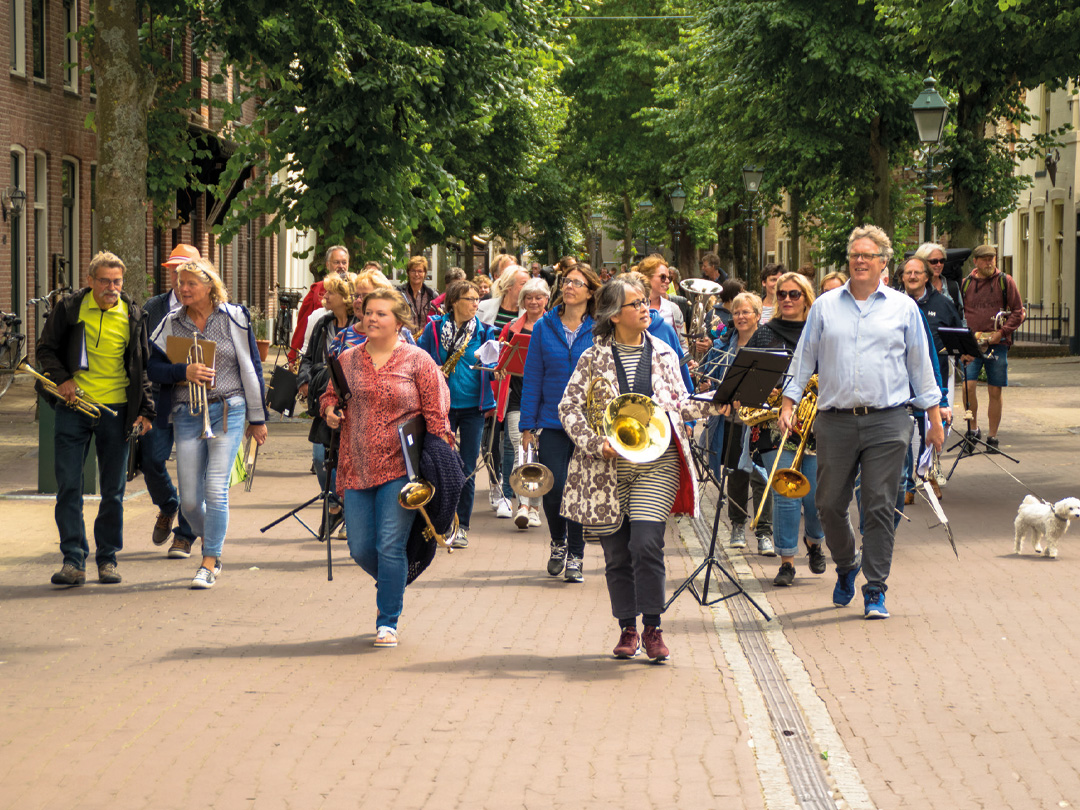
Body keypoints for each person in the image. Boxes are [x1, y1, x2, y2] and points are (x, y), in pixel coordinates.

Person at [780, 225, 944, 619]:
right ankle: (847, 564)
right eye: (854, 254)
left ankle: (875, 588)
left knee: (879, 505)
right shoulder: (824, 306)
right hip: (834, 421)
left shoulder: (903, 309)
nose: (859, 261)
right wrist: (788, 403)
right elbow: (803, 361)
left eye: (868, 255)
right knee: (828, 504)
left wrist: (934, 419)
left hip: (888, 420)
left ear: (884, 263)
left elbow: (921, 367)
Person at [558, 277, 723, 661]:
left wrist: (719, 401)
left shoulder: (664, 351)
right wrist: (596, 444)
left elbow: (681, 403)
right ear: (615, 315)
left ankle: (653, 626)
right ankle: (627, 628)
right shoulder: (591, 357)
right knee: (616, 555)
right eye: (635, 304)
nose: (645, 308)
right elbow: (568, 408)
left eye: (645, 302)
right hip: (606, 468)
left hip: (657, 463)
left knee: (646, 543)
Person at [322, 288, 452, 648]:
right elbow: (329, 397)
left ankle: (387, 620)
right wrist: (330, 412)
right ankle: (392, 582)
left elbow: (437, 412)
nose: (372, 319)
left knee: (390, 544)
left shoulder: (417, 360)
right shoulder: (346, 359)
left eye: (381, 314)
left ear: (399, 322)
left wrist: (439, 458)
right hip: (355, 465)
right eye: (367, 313)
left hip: (401, 468)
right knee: (361, 548)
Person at [148, 259, 269, 589]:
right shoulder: (172, 323)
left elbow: (252, 367)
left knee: (216, 488)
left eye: (190, 283)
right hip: (187, 413)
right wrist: (181, 372)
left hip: (229, 409)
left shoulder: (234, 317)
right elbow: (152, 369)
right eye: (179, 283)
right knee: (189, 502)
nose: (183, 289)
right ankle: (211, 538)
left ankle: (210, 560)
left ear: (209, 286)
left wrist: (257, 419)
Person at [38, 251, 155, 586]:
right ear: (90, 281)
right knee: (69, 486)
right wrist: (62, 379)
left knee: (114, 490)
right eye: (104, 280)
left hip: (116, 411)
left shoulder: (133, 315)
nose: (111, 287)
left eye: (116, 281)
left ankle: (108, 559)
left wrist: (146, 410)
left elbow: (141, 367)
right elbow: (45, 349)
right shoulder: (70, 308)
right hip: (73, 408)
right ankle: (73, 560)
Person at [520, 264, 600, 582]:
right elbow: (533, 376)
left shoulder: (600, 328)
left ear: (590, 292)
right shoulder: (543, 327)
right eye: (566, 281)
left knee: (577, 489)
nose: (569, 287)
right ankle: (558, 542)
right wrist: (527, 425)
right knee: (553, 487)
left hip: (586, 422)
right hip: (551, 420)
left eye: (577, 283)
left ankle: (576, 556)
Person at [746, 273, 823, 584]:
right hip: (774, 426)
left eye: (795, 294)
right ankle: (787, 561)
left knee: (816, 497)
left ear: (806, 297)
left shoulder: (820, 333)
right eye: (781, 295)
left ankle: (814, 541)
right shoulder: (764, 335)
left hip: (817, 425)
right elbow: (749, 383)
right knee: (785, 493)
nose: (788, 300)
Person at [418, 280, 497, 549]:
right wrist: (432, 367)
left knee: (466, 467)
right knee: (438, 465)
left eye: (478, 299)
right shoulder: (435, 329)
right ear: (453, 302)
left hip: (474, 407)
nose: (476, 304)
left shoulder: (486, 331)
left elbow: (494, 363)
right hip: (440, 407)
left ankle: (463, 525)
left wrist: (496, 370)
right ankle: (439, 521)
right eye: (469, 299)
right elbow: (418, 356)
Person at [701, 292, 773, 553]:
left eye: (746, 312)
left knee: (762, 478)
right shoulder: (721, 346)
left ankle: (764, 531)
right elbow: (706, 380)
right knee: (736, 475)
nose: (741, 317)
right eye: (736, 313)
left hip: (760, 422)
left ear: (757, 315)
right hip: (731, 422)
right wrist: (709, 384)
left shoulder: (769, 344)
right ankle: (738, 526)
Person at [142, 244, 201, 555]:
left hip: (198, 403)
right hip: (160, 398)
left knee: (194, 470)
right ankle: (168, 503)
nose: (182, 280)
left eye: (187, 273)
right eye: (176, 273)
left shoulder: (213, 308)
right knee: (150, 458)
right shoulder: (153, 307)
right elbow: (143, 355)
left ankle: (186, 534)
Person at [298, 274, 358, 535]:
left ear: (344, 297)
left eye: (330, 293)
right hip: (324, 399)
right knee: (320, 458)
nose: (325, 298)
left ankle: (349, 513)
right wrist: (304, 379)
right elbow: (308, 358)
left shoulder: (362, 325)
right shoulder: (323, 323)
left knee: (347, 462)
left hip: (352, 404)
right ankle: (335, 507)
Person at [900, 256, 959, 501]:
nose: (912, 277)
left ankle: (930, 475)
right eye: (907, 273)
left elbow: (957, 335)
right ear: (902, 277)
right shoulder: (895, 304)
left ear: (927, 276)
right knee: (902, 434)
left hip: (932, 376)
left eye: (917, 273)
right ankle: (906, 485)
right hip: (901, 380)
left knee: (931, 431)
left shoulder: (943, 304)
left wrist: (962, 351)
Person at [494, 278, 550, 529]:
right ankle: (524, 506)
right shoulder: (511, 328)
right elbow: (499, 361)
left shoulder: (554, 326)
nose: (534, 302)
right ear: (522, 300)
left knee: (542, 454)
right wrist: (500, 370)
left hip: (548, 399)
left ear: (546, 299)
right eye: (529, 297)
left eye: (539, 297)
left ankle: (535, 507)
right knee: (521, 449)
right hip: (518, 396)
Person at [960, 244, 1024, 451]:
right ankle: (973, 430)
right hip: (972, 344)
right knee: (967, 387)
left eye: (992, 258)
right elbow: (959, 313)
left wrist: (1002, 333)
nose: (989, 262)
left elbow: (1018, 311)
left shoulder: (1005, 281)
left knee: (994, 389)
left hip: (998, 344)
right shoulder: (966, 284)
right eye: (985, 259)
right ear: (975, 262)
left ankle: (993, 437)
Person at [289, 245, 349, 362]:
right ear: (327, 265)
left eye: (344, 262)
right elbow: (303, 325)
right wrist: (294, 356)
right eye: (336, 262)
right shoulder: (317, 290)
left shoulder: (356, 288)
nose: (341, 266)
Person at [638, 255, 688, 351]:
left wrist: (687, 362)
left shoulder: (673, 309)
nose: (667, 281)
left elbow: (681, 345)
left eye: (669, 278)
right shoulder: (634, 307)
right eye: (663, 277)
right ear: (646, 277)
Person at [914, 242, 964, 317]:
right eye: (934, 261)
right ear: (921, 262)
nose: (939, 265)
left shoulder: (952, 287)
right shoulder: (913, 286)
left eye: (942, 261)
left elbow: (961, 319)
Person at [396, 255, 437, 337]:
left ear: (425, 273)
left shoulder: (432, 295)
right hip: (404, 339)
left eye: (420, 271)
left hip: (426, 340)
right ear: (408, 272)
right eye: (413, 271)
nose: (416, 274)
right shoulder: (399, 293)